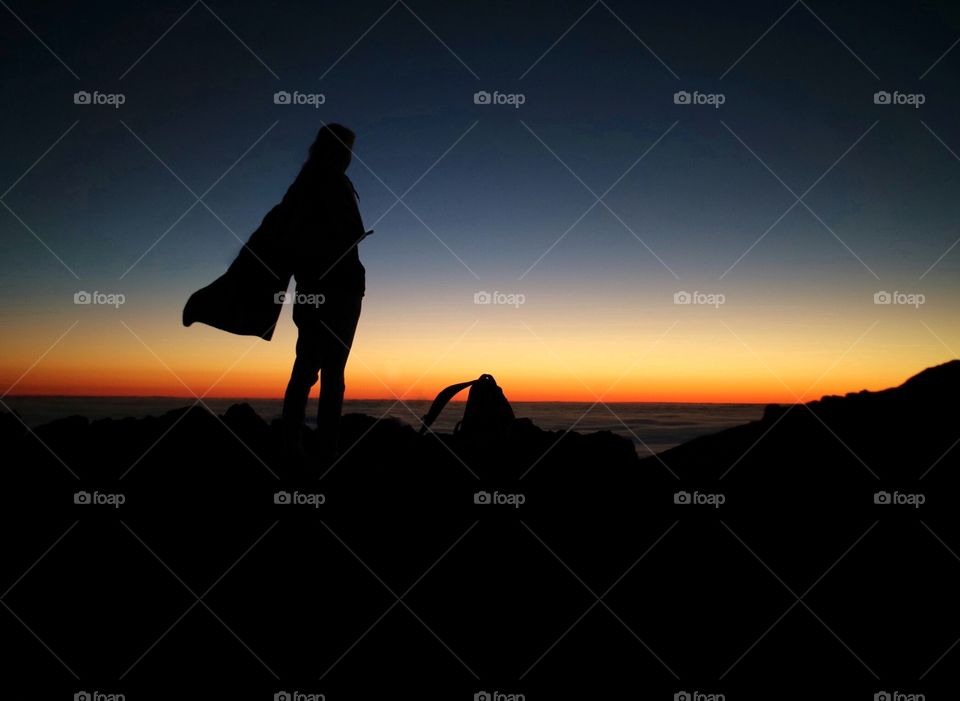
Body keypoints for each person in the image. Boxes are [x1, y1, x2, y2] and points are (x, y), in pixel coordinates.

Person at [280, 123, 367, 466]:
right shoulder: (329, 183)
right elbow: (348, 232)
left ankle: (295, 444)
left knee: (308, 368)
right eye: (346, 150)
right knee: (329, 372)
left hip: (316, 289)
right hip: (335, 289)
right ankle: (323, 449)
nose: (348, 157)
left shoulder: (304, 184)